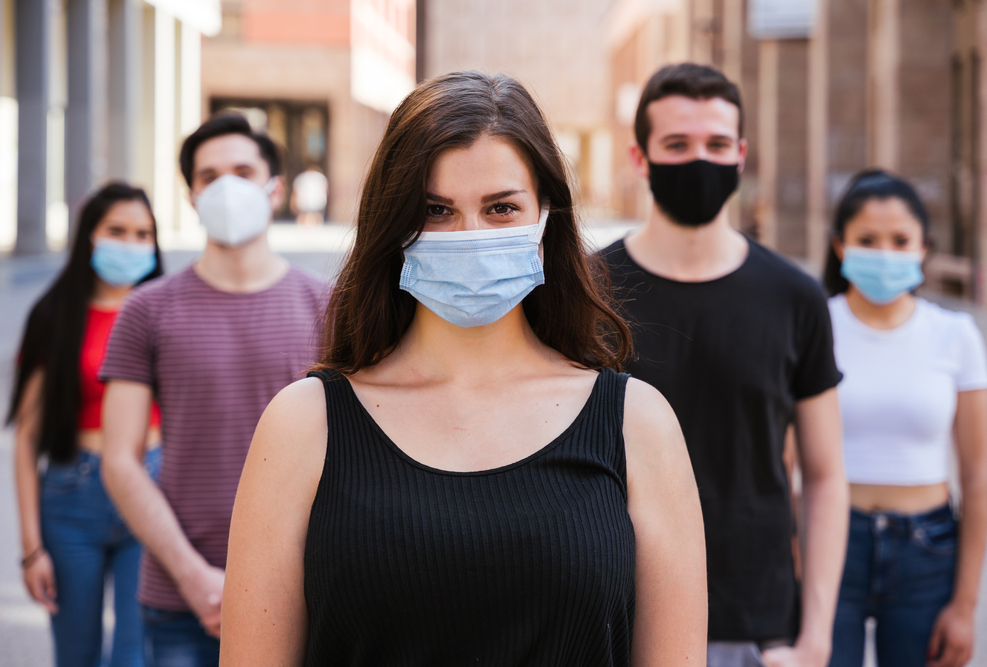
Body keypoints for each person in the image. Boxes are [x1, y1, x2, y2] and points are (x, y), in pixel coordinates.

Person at [220, 71, 708, 666]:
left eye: (501, 208)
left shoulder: (638, 424)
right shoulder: (302, 425)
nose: (470, 235)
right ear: (391, 223)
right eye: (436, 210)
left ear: (545, 216)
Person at [600, 62, 849, 667]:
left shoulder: (794, 296)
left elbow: (823, 473)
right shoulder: (591, 290)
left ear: (740, 155)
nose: (699, 161)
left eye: (716, 145)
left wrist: (815, 639)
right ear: (640, 158)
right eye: (677, 145)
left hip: (758, 625)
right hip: (615, 615)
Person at [99, 114, 328, 667]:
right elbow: (120, 460)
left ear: (274, 188)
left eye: (243, 171)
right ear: (192, 195)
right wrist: (194, 576)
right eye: (210, 175)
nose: (227, 186)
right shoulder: (146, 310)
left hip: (304, 593)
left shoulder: (328, 307)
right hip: (180, 597)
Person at [825, 170, 987, 667]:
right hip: (833, 542)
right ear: (840, 247)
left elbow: (979, 476)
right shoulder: (814, 324)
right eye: (868, 240)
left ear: (924, 248)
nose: (885, 253)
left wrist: (965, 605)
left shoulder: (956, 335)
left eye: (901, 241)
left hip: (928, 548)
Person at [8, 182, 165, 667]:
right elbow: (27, 438)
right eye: (117, 231)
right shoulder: (55, 316)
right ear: (89, 237)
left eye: (143, 234)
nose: (132, 243)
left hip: (152, 484)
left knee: (135, 657)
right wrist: (32, 550)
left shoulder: (167, 310)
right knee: (76, 656)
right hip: (73, 496)